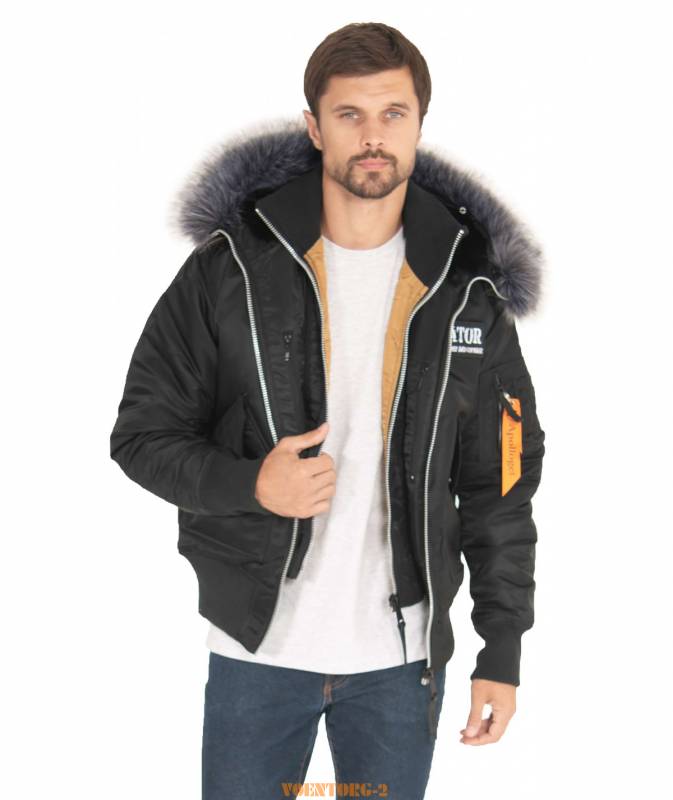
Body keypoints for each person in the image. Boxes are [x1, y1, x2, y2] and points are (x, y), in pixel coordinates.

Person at [110, 21, 546, 800]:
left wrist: (501, 651)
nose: (372, 137)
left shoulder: (469, 293)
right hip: (257, 655)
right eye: (349, 114)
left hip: (401, 665)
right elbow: (142, 435)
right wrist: (250, 484)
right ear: (314, 127)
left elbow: (502, 486)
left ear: (418, 125)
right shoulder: (228, 270)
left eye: (392, 113)